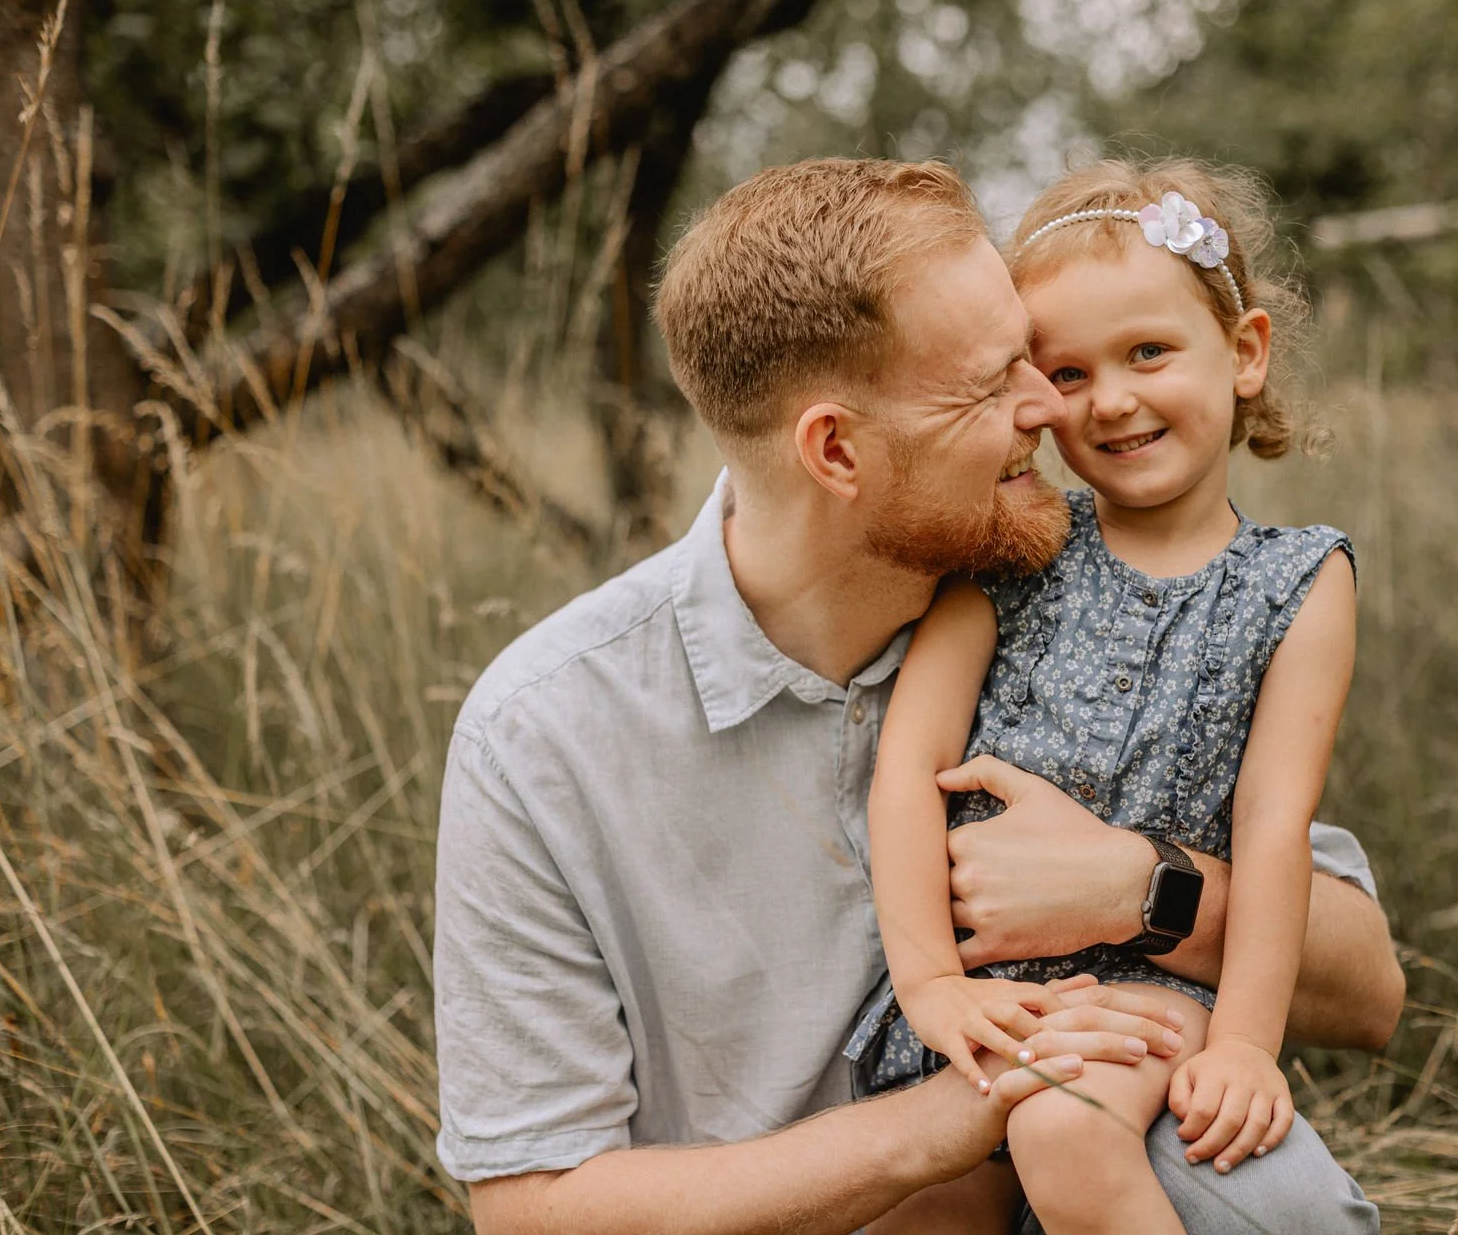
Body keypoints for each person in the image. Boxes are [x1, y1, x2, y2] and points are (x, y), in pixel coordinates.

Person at [432, 157, 1403, 1235]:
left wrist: (1141, 887)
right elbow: (530, 1209)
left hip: (1089, 1128)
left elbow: (1368, 989)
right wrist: (943, 1121)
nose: (1054, 407)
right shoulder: (543, 731)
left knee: (1279, 1198)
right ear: (836, 448)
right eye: (1000, 381)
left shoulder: (1066, 594)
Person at [856, 158, 1362, 1235]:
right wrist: (932, 985)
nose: (1115, 398)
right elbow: (908, 768)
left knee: (1065, 1128)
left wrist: (1246, 1043)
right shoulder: (1014, 550)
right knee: (926, 1197)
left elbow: (1275, 826)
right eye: (1070, 372)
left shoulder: (1298, 582)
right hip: (986, 997)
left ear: (1244, 352)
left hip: (1154, 998)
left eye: (1148, 352)